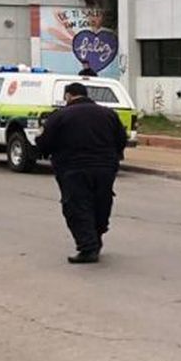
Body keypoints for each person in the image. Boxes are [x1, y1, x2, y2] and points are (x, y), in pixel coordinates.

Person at [33, 82, 128, 264]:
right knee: (101, 203)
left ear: (68, 96)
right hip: (105, 168)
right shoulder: (108, 114)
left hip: (73, 168)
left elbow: (45, 142)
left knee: (77, 206)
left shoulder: (59, 116)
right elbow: (121, 140)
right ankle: (95, 237)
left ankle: (88, 248)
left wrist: (41, 146)